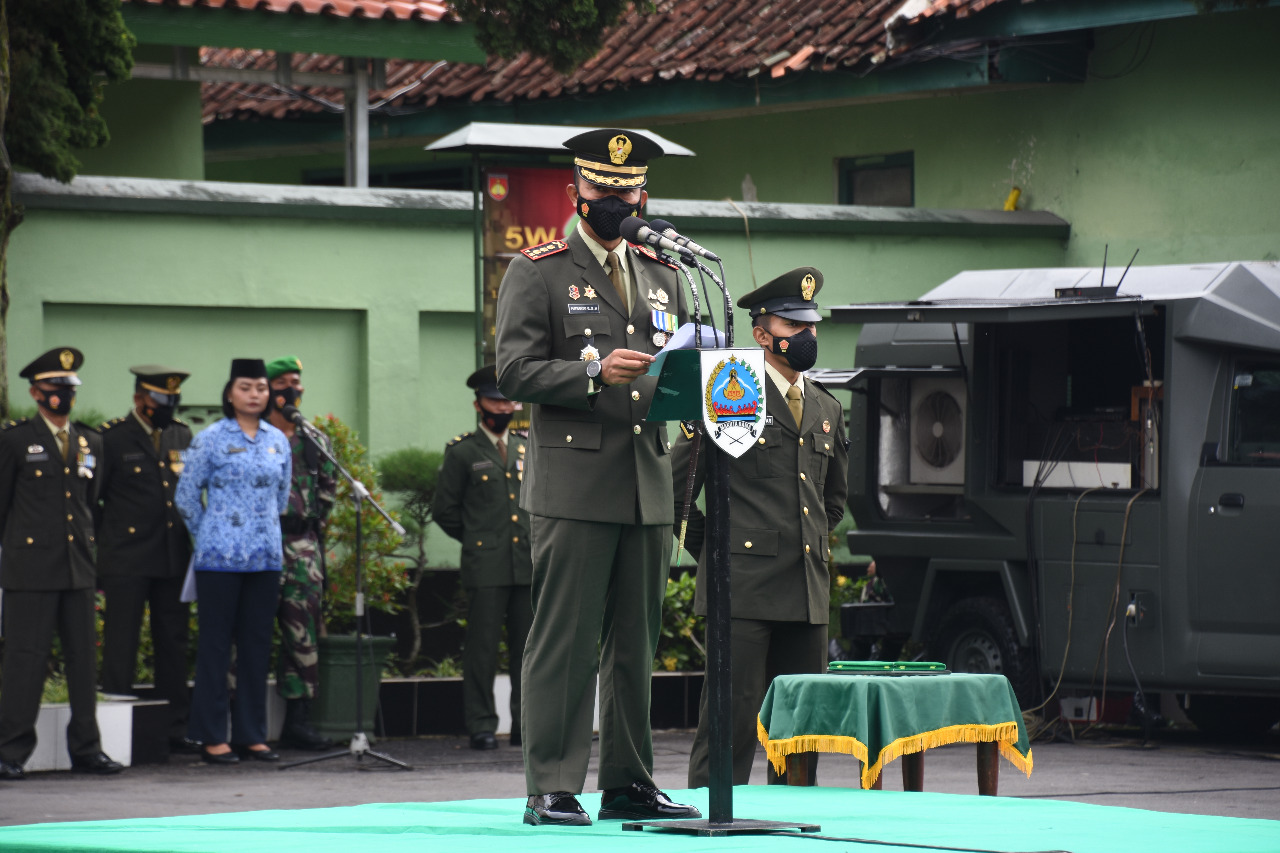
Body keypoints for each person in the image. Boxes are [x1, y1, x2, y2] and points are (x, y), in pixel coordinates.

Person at [495, 127, 700, 827]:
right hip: (575, 484)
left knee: (636, 643)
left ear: (645, 193)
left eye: (628, 190)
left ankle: (628, 780)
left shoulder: (664, 270)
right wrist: (590, 370)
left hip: (647, 478)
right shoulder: (539, 268)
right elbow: (513, 370)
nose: (616, 200)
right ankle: (550, 782)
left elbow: (679, 362)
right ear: (575, 192)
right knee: (567, 637)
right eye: (603, 190)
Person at [673, 267, 849, 787]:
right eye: (793, 325)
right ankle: (711, 819)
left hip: (806, 587)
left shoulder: (825, 406)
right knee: (731, 716)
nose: (807, 336)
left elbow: (831, 502)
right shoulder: (731, 390)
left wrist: (808, 544)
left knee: (801, 727)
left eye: (811, 326)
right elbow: (677, 491)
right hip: (742, 588)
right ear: (761, 333)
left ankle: (792, 823)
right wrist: (717, 553)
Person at [0, 347, 123, 779]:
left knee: (82, 662)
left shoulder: (92, 441)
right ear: (36, 392)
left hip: (77, 567)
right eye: (55, 388)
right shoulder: (14, 440)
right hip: (30, 569)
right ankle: (10, 751)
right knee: (24, 659)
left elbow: (90, 504)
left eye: (69, 388)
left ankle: (87, 749)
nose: (63, 396)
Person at [175, 359, 290, 765]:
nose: (255, 394)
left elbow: (281, 498)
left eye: (261, 387)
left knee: (258, 647)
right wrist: (209, 534)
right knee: (215, 648)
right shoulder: (210, 439)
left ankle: (252, 734)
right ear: (229, 393)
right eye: (246, 387)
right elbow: (186, 497)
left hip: (265, 558)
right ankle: (211, 736)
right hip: (218, 560)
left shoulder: (279, 440)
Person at [95, 365, 197, 755]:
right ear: (140, 397)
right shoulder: (112, 438)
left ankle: (176, 726)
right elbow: (95, 501)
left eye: (173, 401)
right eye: (160, 400)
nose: (166, 407)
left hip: (172, 554)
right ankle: (114, 730)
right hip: (127, 556)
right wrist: (111, 537)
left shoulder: (181, 434)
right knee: (123, 640)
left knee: (173, 641)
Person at [434, 364, 532, 752]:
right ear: (478, 405)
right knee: (482, 649)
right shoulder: (462, 451)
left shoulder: (528, 445)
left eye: (508, 399)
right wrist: (478, 538)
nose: (503, 406)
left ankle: (526, 724)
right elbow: (445, 510)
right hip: (485, 564)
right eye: (495, 400)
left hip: (526, 562)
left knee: (529, 650)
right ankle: (481, 724)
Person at [264, 355, 336, 751]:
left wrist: (306, 531)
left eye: (298, 382)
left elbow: (327, 493)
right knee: (252, 632)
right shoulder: (255, 434)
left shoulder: (313, 438)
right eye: (288, 382)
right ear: (271, 389)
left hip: (302, 546)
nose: (296, 389)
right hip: (260, 543)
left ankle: (298, 721)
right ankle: (246, 725)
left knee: (301, 633)